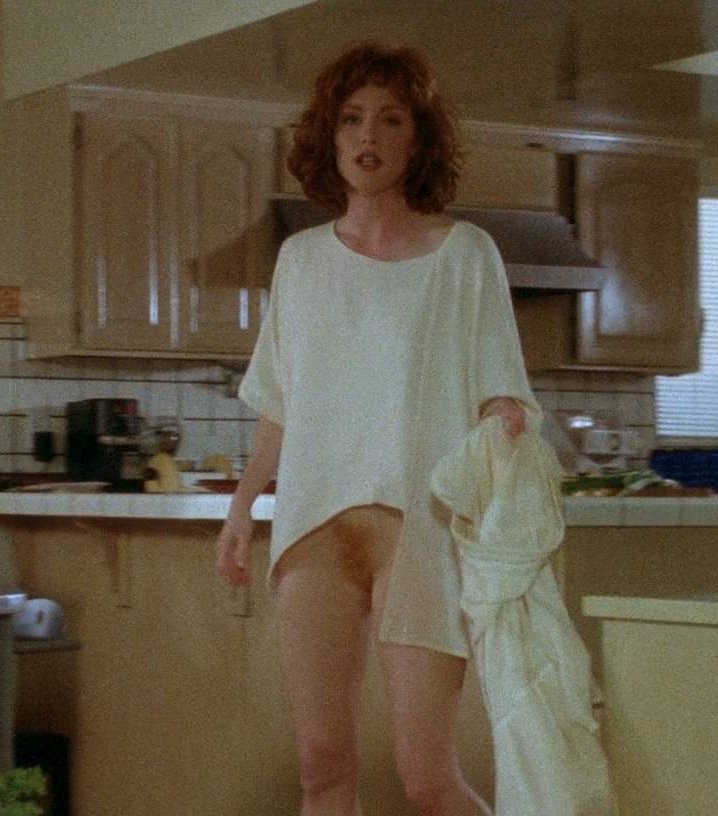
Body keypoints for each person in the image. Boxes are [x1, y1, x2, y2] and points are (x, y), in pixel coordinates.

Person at [213, 43, 536, 816]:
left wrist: (504, 432)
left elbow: (503, 397)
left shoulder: (465, 256)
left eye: (391, 119)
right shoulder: (300, 261)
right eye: (352, 118)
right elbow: (280, 404)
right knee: (321, 768)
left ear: (418, 140)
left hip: (418, 534)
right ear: (329, 136)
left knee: (426, 780)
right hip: (312, 531)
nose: (369, 135)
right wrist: (241, 507)